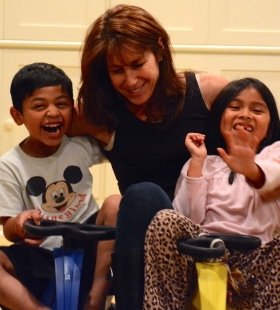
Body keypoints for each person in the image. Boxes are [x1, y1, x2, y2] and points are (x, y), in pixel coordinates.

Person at [70, 5, 228, 308]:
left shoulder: (209, 92)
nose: (130, 81)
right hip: (145, 245)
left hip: (212, 233)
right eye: (117, 71)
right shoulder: (102, 115)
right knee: (139, 196)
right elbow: (48, 123)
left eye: (137, 64)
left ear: (159, 49)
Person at [143, 77, 280, 309]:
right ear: (219, 118)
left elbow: (273, 177)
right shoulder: (204, 162)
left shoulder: (272, 156)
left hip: (256, 265)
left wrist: (252, 169)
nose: (245, 114)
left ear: (271, 124)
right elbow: (189, 218)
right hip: (200, 256)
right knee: (165, 219)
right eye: (235, 107)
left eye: (257, 110)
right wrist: (197, 162)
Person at [0, 63, 120, 310]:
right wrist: (21, 223)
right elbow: (9, 229)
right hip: (43, 255)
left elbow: (118, 141)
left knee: (116, 203)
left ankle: (95, 298)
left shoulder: (79, 145)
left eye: (62, 104)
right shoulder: (9, 165)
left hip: (88, 248)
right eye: (40, 105)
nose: (53, 112)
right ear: (17, 116)